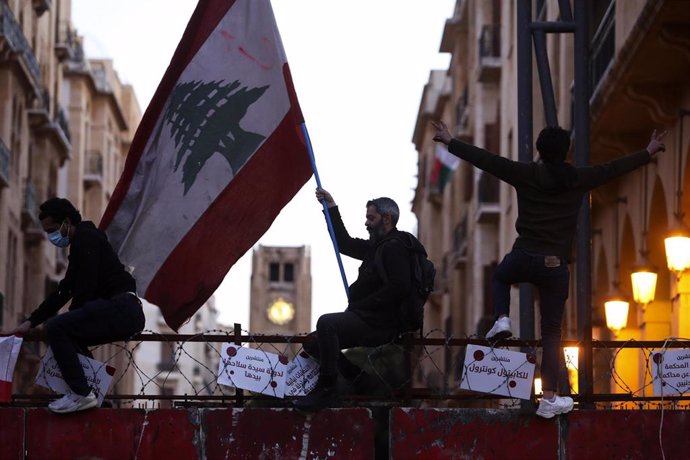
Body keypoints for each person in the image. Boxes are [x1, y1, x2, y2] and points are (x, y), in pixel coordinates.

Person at [431, 120, 667, 418]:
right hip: (555, 266)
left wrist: (451, 141)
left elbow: (487, 160)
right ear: (566, 151)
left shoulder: (526, 174)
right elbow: (612, 169)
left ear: (539, 151)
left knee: (501, 275)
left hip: (524, 257)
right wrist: (647, 151)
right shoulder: (578, 179)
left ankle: (502, 318)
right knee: (552, 333)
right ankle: (550, 398)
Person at [3, 198, 145, 414]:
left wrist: (67, 320)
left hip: (123, 307)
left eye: (52, 229)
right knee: (69, 333)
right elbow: (64, 291)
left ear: (67, 222)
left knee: (58, 328)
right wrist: (30, 322)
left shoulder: (86, 239)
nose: (51, 236)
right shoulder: (82, 243)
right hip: (121, 309)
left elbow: (85, 287)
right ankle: (93, 396)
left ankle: (81, 393)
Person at [294, 188, 422, 411]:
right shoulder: (378, 247)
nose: (367, 223)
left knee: (327, 323)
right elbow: (343, 244)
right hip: (367, 318)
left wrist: (363, 306)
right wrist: (331, 208)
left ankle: (327, 390)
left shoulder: (394, 247)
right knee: (314, 342)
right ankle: (360, 379)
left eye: (371, 218)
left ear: (387, 218)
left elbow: (399, 286)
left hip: (381, 323)